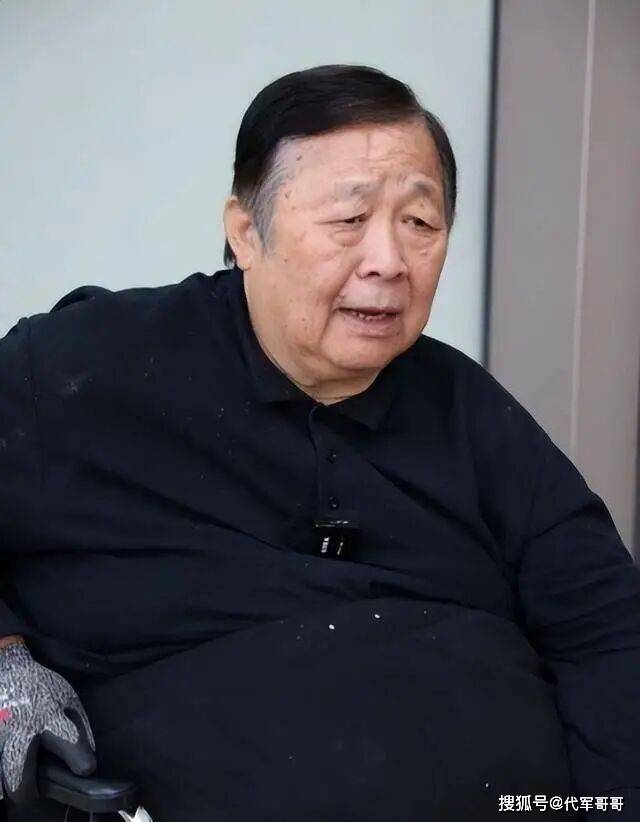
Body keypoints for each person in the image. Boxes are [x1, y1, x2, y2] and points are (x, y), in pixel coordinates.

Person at [0, 64, 639, 821]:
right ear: (246, 231)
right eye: (349, 219)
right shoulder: (89, 368)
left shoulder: (472, 413)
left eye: (420, 223)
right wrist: (7, 667)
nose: (389, 261)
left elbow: (605, 629)